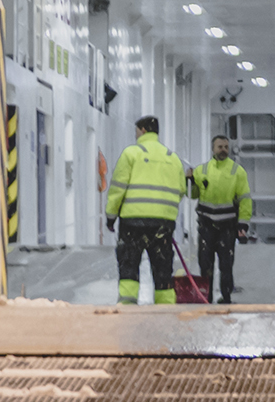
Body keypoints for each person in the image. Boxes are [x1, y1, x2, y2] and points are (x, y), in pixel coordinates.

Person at [103, 114, 185, 305]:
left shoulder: (131, 153)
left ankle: (127, 306)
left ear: (143, 130)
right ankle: (165, 310)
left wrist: (111, 216)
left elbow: (118, 188)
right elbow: (181, 189)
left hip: (133, 221)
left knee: (129, 264)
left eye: (136, 132)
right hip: (163, 223)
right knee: (163, 268)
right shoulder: (172, 158)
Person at [187, 132, 252, 304]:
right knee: (205, 263)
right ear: (213, 149)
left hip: (227, 227)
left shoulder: (237, 171)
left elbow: (245, 199)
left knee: (226, 264)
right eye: (220, 147)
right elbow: (193, 195)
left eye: (226, 147)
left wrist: (243, 224)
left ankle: (226, 297)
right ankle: (206, 298)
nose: (223, 150)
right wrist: (190, 181)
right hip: (206, 225)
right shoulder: (201, 170)